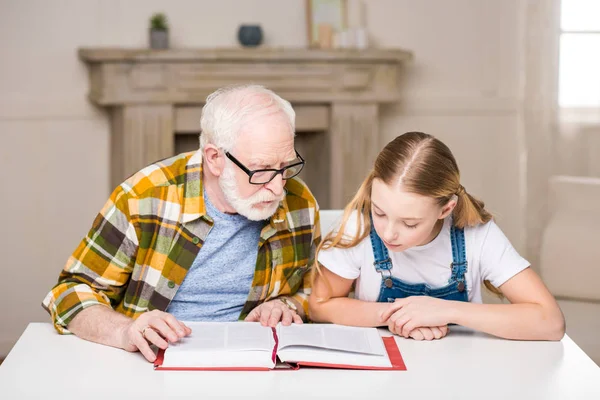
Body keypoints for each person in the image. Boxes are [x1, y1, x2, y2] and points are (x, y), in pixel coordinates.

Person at [43, 84, 320, 362]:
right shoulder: (144, 197)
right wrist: (126, 330)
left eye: (286, 167)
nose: (277, 188)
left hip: (254, 363)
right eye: (261, 170)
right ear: (215, 159)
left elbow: (319, 293)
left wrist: (288, 305)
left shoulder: (299, 202)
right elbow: (70, 294)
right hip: (150, 364)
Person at [309, 131, 565, 341]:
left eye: (410, 223)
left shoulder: (477, 235)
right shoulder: (359, 227)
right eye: (380, 212)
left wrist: (445, 311)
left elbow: (550, 322)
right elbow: (320, 305)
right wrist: (400, 315)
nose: (388, 232)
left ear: (446, 209)